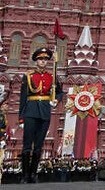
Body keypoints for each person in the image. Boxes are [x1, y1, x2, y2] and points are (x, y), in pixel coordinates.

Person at [19, 47, 63, 183]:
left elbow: (60, 92)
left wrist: (56, 99)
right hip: (31, 111)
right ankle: (25, 175)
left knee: (39, 145)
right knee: (27, 145)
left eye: (45, 59)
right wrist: (21, 116)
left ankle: (33, 174)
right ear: (36, 61)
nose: (43, 62)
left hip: (44, 112)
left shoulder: (52, 77)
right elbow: (23, 97)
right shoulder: (28, 76)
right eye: (40, 59)